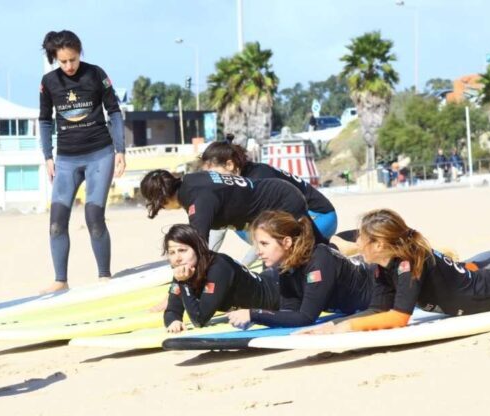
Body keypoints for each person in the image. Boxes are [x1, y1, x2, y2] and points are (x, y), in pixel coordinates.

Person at [300, 208, 490, 335]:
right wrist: (333, 327)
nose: (357, 244)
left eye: (361, 239)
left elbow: (399, 317)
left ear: (379, 244)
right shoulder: (383, 267)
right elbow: (378, 308)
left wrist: (345, 327)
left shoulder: (409, 262)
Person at [39, 30, 126, 294]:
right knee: (56, 221)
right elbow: (44, 120)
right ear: (55, 58)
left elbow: (114, 112)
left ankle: (104, 276)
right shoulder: (49, 82)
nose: (68, 66)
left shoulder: (95, 74)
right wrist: (48, 156)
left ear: (80, 53)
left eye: (73, 60)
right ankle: (60, 280)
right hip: (66, 158)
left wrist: (120, 150)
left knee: (93, 216)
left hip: (99, 153)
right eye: (63, 61)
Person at [226, 210, 373, 329]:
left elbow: (306, 317)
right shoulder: (285, 267)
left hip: (381, 291)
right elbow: (290, 312)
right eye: (257, 245)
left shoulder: (318, 261)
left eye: (264, 244)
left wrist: (255, 314)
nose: (258, 252)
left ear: (287, 242)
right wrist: (261, 317)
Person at [200, 139, 338, 261]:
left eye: (212, 174)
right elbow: (219, 227)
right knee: (229, 215)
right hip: (287, 219)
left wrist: (244, 266)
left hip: (320, 217)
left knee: (289, 257)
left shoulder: (259, 177)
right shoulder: (237, 181)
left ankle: (336, 249)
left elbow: (269, 230)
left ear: (230, 165)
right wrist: (203, 258)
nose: (211, 180)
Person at [139, 169, 329, 247]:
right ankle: (348, 259)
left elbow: (197, 250)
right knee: (320, 246)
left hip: (280, 202)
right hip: (279, 192)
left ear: (162, 200)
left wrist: (175, 295)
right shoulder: (191, 180)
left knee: (303, 254)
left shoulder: (197, 201)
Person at [162, 224, 280, 333]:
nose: (177, 258)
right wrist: (174, 321)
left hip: (279, 294)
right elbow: (172, 310)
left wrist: (184, 282)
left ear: (198, 249)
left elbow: (199, 319)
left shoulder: (218, 268)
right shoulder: (185, 270)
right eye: (172, 252)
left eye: (182, 250)